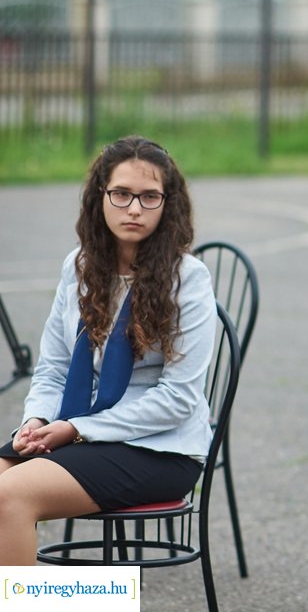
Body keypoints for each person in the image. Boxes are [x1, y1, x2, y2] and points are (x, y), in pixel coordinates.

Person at [0, 136, 216, 566]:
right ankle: (100, 597)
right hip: (79, 427)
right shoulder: (79, 267)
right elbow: (53, 370)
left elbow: (178, 400)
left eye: (149, 196)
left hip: (160, 448)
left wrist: (76, 429)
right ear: (100, 197)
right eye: (121, 194)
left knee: (10, 496)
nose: (134, 209)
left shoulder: (188, 279)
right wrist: (37, 420)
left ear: (167, 204)